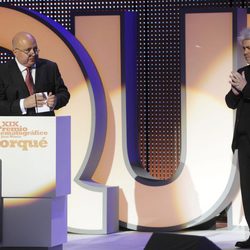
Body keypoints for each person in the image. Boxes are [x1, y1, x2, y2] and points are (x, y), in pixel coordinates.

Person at [0, 31, 70, 116]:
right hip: (16, 126)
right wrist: (23, 104)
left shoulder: (50, 67)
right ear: (15, 52)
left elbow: (64, 94)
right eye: (28, 50)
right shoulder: (3, 71)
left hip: (46, 126)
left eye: (35, 49)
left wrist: (56, 100)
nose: (33, 53)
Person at [226, 27, 250, 249]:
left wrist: (246, 88)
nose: (246, 52)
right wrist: (235, 92)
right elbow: (230, 102)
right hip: (244, 140)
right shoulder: (242, 71)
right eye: (244, 48)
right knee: (248, 189)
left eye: (249, 47)